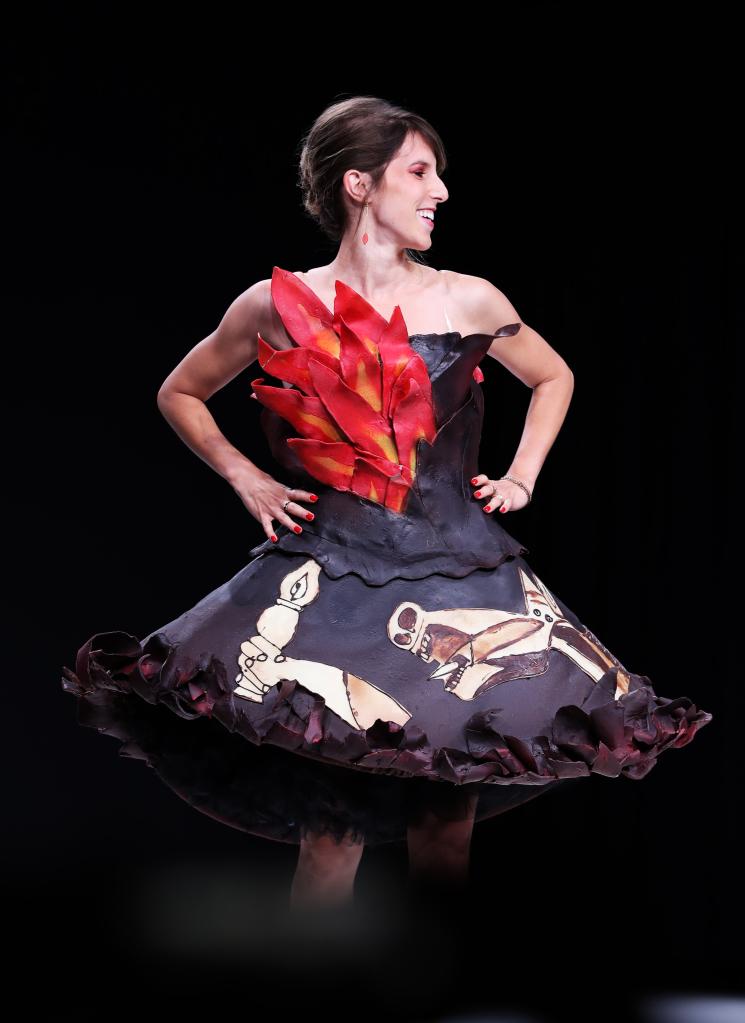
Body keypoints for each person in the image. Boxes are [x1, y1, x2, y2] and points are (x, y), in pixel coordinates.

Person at [61, 96, 712, 908]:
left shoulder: (466, 298)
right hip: (338, 584)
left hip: (457, 574)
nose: (440, 190)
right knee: (331, 831)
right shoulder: (276, 303)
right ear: (358, 183)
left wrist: (521, 475)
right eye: (419, 172)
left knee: (444, 819)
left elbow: (553, 375)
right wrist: (246, 476)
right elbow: (180, 391)